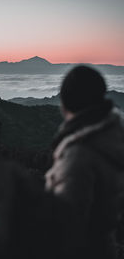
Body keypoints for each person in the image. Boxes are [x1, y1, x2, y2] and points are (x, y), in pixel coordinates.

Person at [45, 65, 124, 259]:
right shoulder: (113, 136)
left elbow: (66, 227)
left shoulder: (78, 156)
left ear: (66, 103)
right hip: (106, 247)